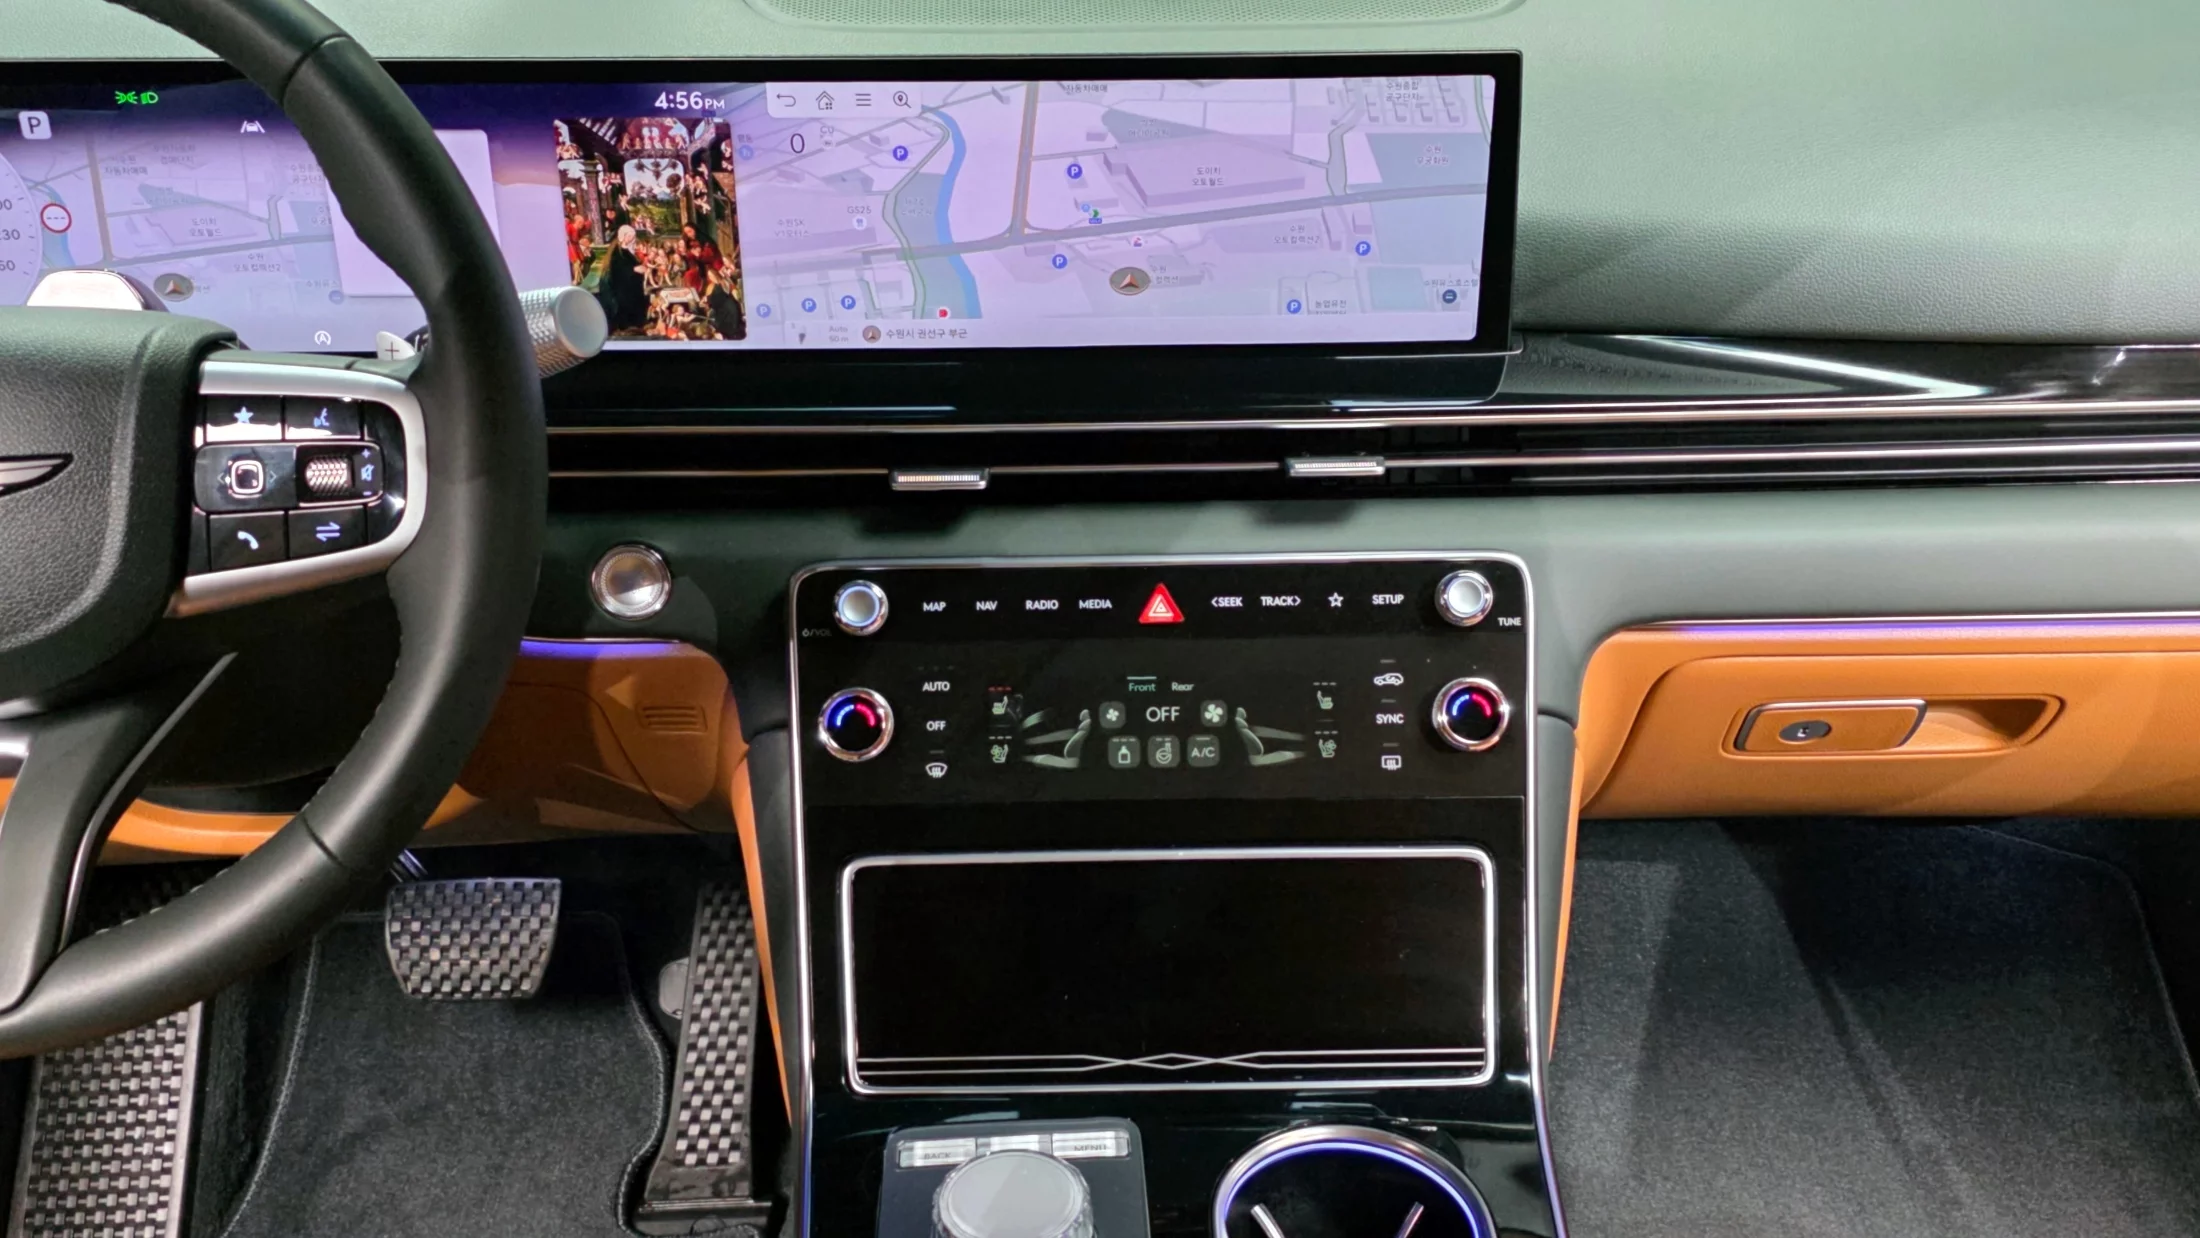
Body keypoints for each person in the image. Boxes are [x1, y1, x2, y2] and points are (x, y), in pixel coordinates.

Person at [605, 225, 648, 333]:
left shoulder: (628, 250)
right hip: (624, 290)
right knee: (627, 313)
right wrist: (633, 269)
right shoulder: (617, 252)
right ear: (623, 236)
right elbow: (618, 269)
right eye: (630, 236)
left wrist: (639, 268)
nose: (632, 239)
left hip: (633, 289)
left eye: (632, 237)